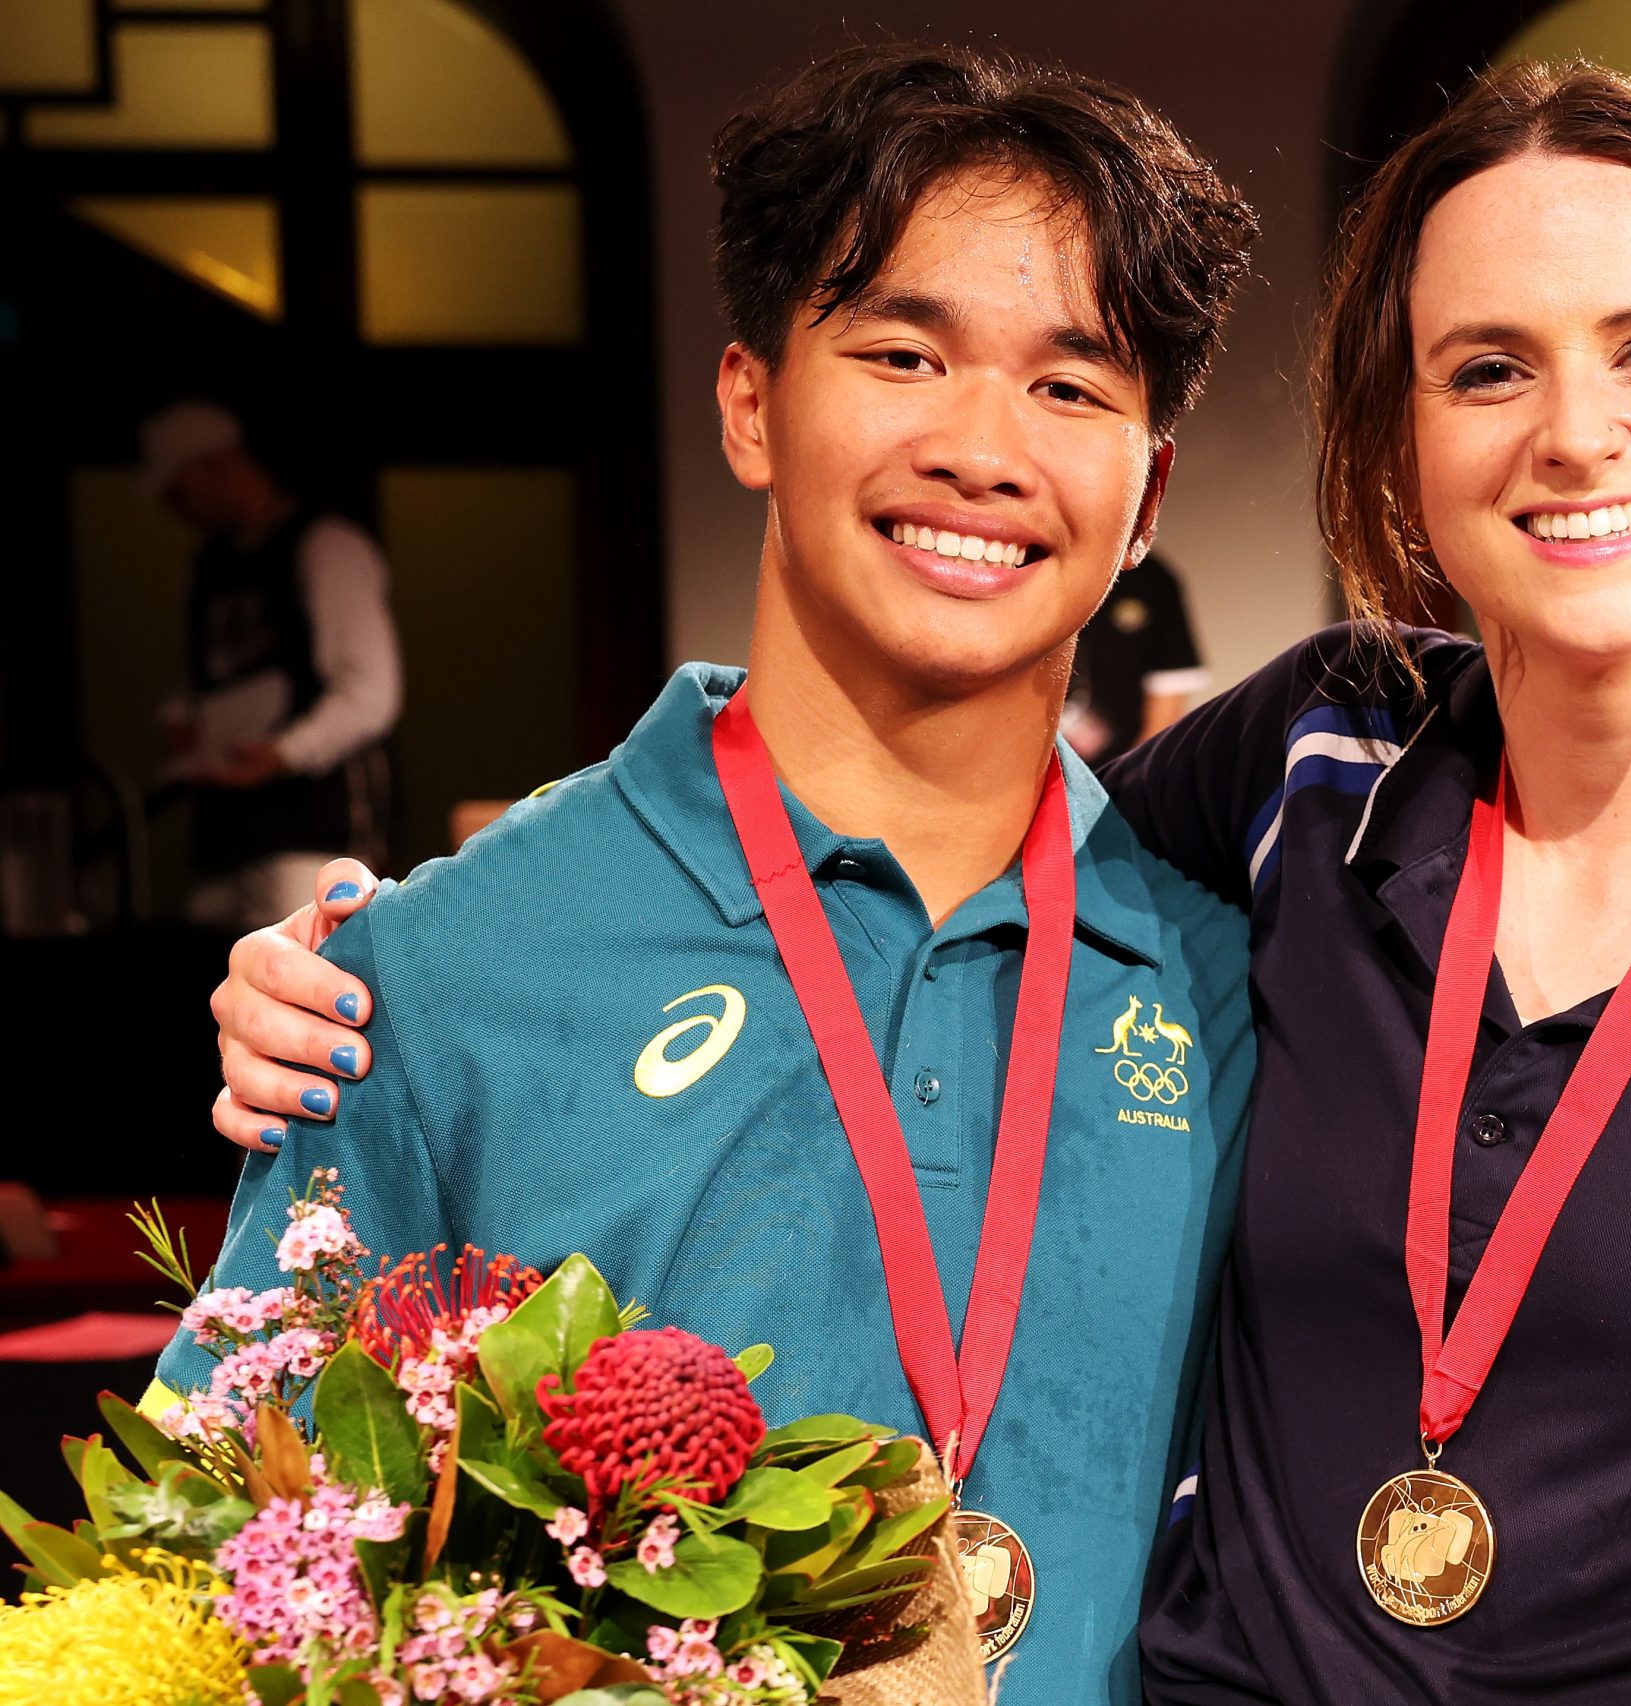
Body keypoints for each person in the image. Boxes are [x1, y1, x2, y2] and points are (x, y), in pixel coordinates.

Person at [200, 61, 1631, 1705]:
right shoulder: (1301, 792)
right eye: (1484, 369)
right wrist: (374, 974)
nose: (1574, 432)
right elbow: (231, 1570)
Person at [160, 44, 1260, 1703]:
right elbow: (219, 1571)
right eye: (903, 353)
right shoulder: (436, 975)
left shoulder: (1236, 984)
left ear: (1149, 488)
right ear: (750, 403)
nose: (983, 447)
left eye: (1072, 386)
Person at [141, 401, 399, 926]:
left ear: (216, 467)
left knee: (307, 962)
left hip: (313, 836)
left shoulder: (325, 545)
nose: (175, 511)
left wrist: (282, 753)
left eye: (178, 492)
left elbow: (371, 693)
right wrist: (183, 720)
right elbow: (203, 676)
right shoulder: (208, 565)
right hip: (222, 838)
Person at [1061, 549, 1211, 765]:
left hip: (1118, 768)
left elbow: (1166, 709)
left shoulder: (1149, 578)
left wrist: (1130, 778)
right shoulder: (1029, 572)